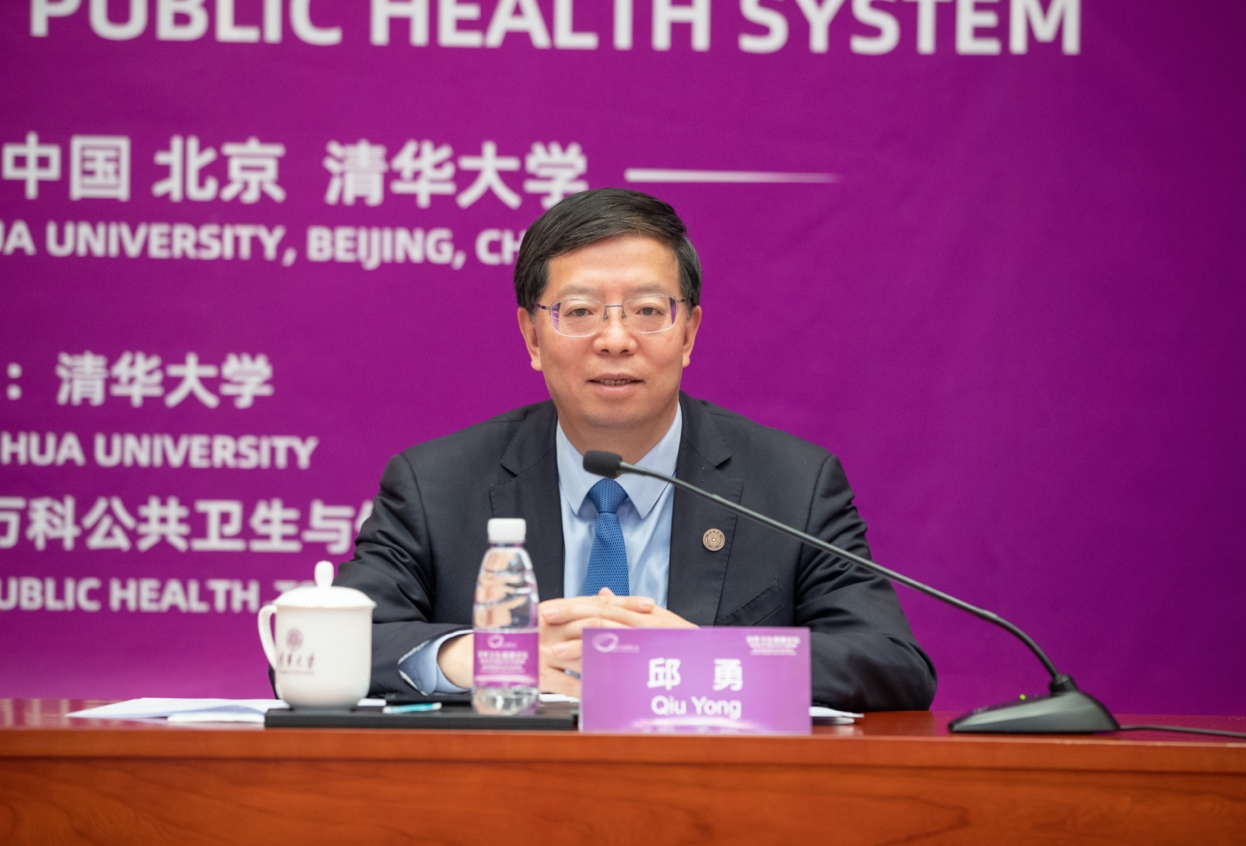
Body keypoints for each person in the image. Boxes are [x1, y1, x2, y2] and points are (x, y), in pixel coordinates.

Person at [333, 188, 936, 711]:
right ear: (532, 336)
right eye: (580, 311)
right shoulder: (436, 485)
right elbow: (333, 643)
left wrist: (702, 658)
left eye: (648, 311)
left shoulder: (792, 485)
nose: (615, 339)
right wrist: (499, 658)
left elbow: (890, 663)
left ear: (689, 332)